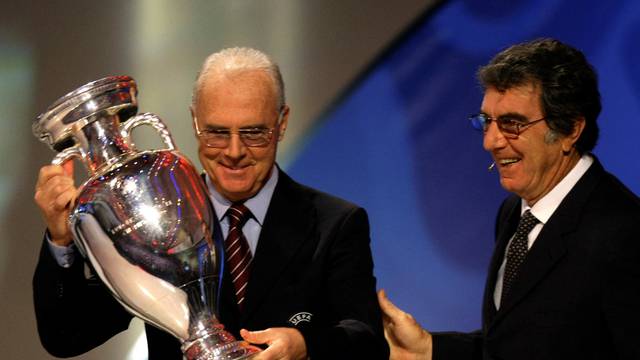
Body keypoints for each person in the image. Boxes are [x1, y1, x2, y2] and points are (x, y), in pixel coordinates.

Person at [33, 47, 389, 359]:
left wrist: (305, 344)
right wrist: (61, 240)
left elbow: (368, 340)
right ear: (194, 123)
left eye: (253, 132)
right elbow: (66, 337)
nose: (234, 152)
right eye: (218, 132)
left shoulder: (336, 223)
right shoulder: (151, 221)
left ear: (281, 123)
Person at [378, 38, 640, 360]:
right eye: (487, 121)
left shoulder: (625, 234)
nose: (491, 141)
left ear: (570, 129)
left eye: (512, 124)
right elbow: (513, 345)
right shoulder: (514, 212)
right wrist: (429, 349)